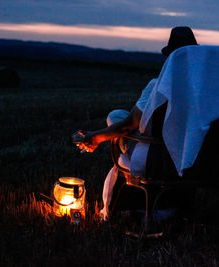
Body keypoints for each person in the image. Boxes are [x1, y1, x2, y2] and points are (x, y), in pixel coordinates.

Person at [72, 26, 199, 219]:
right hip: (194, 160)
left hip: (158, 161)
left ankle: (124, 207)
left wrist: (95, 138)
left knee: (116, 118)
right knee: (119, 116)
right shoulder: (208, 94)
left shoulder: (158, 86)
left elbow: (128, 125)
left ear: (169, 60)